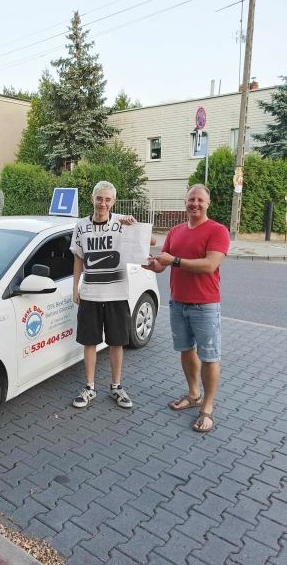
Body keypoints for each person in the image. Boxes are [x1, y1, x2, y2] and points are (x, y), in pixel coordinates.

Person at [144, 184, 230, 432]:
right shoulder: (175, 231)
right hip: (177, 303)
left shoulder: (217, 230)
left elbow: (210, 265)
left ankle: (207, 407)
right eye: (191, 199)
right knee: (185, 350)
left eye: (200, 200)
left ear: (208, 203)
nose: (195, 204)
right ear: (185, 202)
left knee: (209, 357)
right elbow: (162, 265)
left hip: (205, 305)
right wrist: (150, 263)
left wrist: (175, 261)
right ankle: (194, 394)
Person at [70, 180, 156, 409]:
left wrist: (134, 226)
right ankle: (89, 387)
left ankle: (116, 387)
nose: (103, 203)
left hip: (117, 294)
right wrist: (75, 288)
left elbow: (152, 241)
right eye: (99, 198)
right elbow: (78, 258)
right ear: (92, 199)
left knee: (117, 342)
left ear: (114, 201)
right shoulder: (81, 226)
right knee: (89, 342)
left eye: (108, 199)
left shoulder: (122, 222)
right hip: (90, 294)